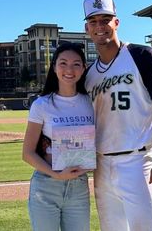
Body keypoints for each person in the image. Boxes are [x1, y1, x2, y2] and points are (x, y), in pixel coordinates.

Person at [83, 0, 152, 231]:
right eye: (94, 21)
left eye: (105, 19)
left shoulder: (142, 56)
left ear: (116, 22)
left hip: (139, 161)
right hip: (102, 164)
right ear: (87, 28)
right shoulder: (88, 75)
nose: (100, 26)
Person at [22, 42, 94, 231]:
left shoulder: (92, 102)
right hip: (46, 185)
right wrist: (56, 175)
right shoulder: (42, 105)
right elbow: (28, 153)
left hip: (79, 186)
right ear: (54, 67)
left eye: (76, 64)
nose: (69, 69)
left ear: (84, 68)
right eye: (63, 63)